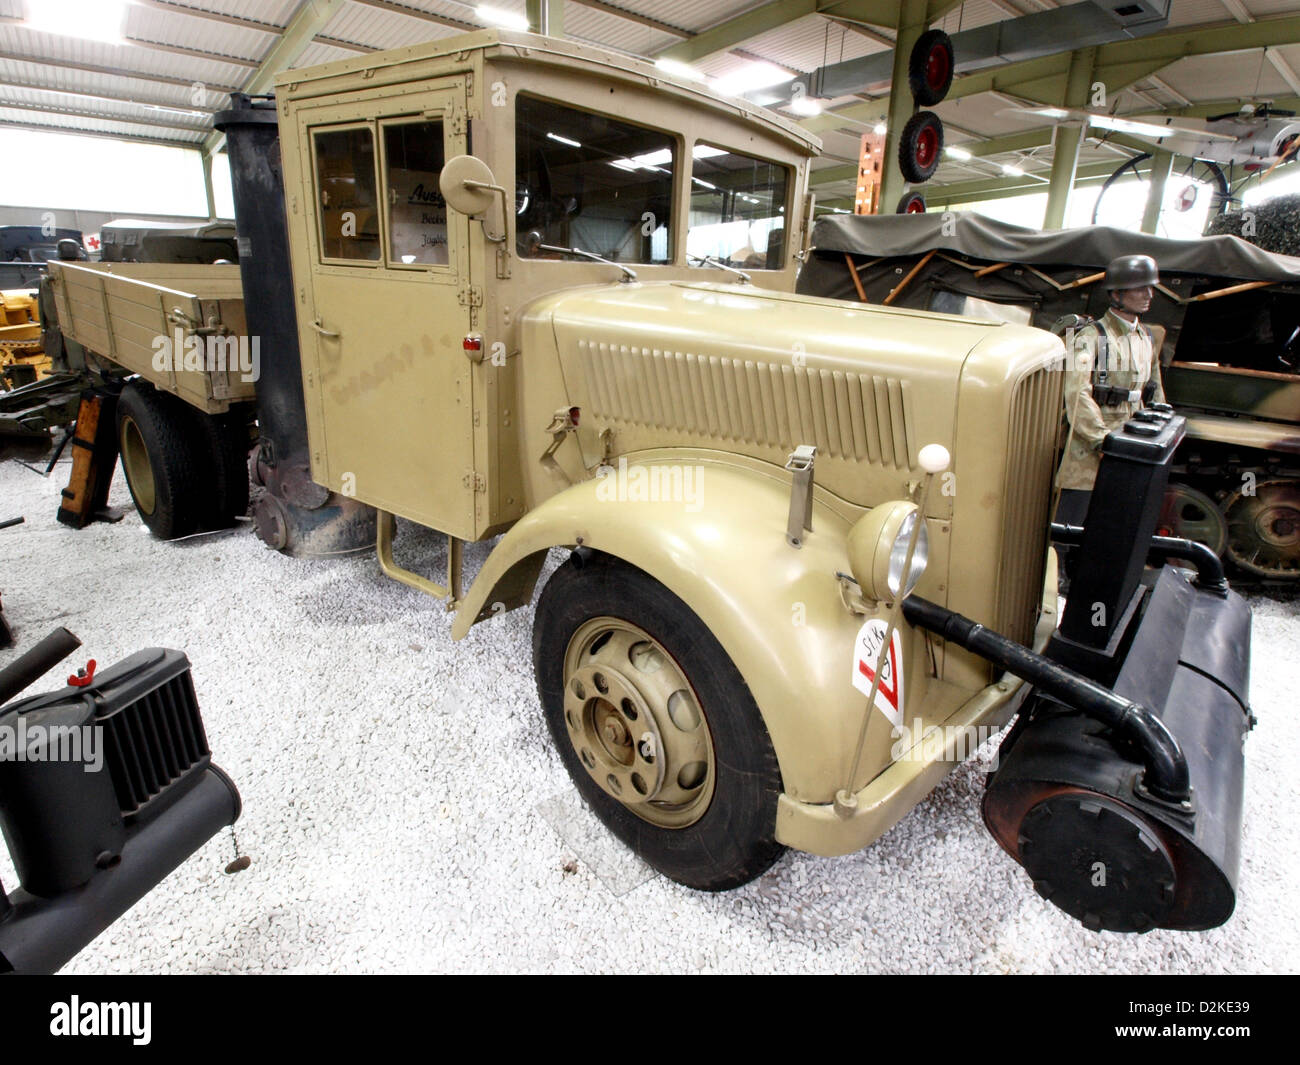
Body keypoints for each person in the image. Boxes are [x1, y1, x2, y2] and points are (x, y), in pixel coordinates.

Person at [1054, 254, 1166, 587]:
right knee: (1073, 515)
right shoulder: (1090, 336)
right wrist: (1102, 440)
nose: (1148, 295)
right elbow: (1076, 394)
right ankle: (1054, 575)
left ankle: (1092, 574)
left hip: (1130, 436)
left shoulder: (1144, 336)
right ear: (1116, 293)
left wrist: (1161, 419)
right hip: (1092, 442)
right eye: (1138, 288)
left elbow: (1154, 386)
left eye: (1150, 288)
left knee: (1115, 517)